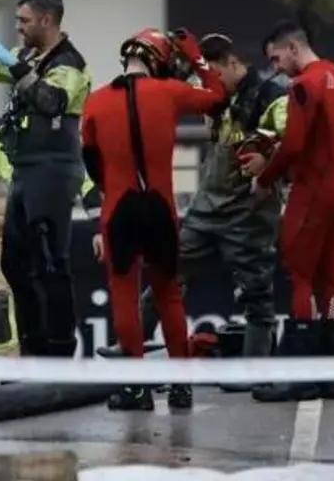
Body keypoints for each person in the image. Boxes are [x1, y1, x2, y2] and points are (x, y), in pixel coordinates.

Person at [102, 33, 289, 390]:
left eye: (215, 72)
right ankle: (130, 350)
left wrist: (268, 157)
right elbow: (157, 89)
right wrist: (176, 57)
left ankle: (254, 373)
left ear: (234, 64)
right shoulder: (210, 92)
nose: (209, 81)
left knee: (256, 294)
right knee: (165, 275)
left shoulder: (271, 97)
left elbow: (290, 136)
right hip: (206, 208)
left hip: (250, 213)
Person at [82, 28, 225, 411]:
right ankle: (181, 388)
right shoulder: (169, 92)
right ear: (159, 60)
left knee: (126, 297)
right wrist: (196, 56)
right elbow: (217, 96)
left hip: (119, 208)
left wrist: (111, 189)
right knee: (169, 295)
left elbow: (91, 162)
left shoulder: (94, 102)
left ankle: (135, 390)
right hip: (161, 208)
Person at [0, 0, 92, 358]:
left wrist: (17, 68)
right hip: (24, 171)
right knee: (14, 263)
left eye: (24, 21)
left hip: (55, 169)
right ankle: (33, 346)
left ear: (47, 20)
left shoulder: (69, 63)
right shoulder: (29, 56)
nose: (18, 28)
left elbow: (51, 101)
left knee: (52, 263)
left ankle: (60, 349)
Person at [247, 21, 334, 404]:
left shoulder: (304, 87)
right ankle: (329, 376)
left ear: (293, 48)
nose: (276, 67)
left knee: (300, 276)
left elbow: (293, 146)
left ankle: (298, 376)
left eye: (276, 58)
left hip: (313, 192)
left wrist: (264, 179)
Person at [0, 118, 102, 357]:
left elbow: (85, 181)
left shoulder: (62, 133)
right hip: (6, 222)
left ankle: (55, 357)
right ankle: (10, 367)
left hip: (47, 219)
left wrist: (99, 226)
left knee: (51, 288)